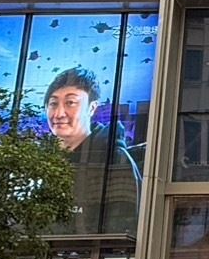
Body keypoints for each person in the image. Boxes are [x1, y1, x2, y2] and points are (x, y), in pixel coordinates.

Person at [45, 67, 141, 234]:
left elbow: (122, 224)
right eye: (53, 104)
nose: (59, 113)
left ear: (92, 108)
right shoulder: (40, 160)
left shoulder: (114, 158)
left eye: (70, 103)